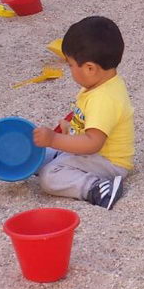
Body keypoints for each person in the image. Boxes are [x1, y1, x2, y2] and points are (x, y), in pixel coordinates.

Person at [33, 16, 134, 208]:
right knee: (38, 152)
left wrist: (54, 139)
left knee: (49, 176)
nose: (69, 69)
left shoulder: (104, 99)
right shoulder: (99, 85)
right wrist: (71, 128)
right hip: (91, 152)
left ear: (90, 68)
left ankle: (97, 187)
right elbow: (91, 126)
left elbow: (92, 143)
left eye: (70, 64)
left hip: (108, 162)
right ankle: (60, 159)